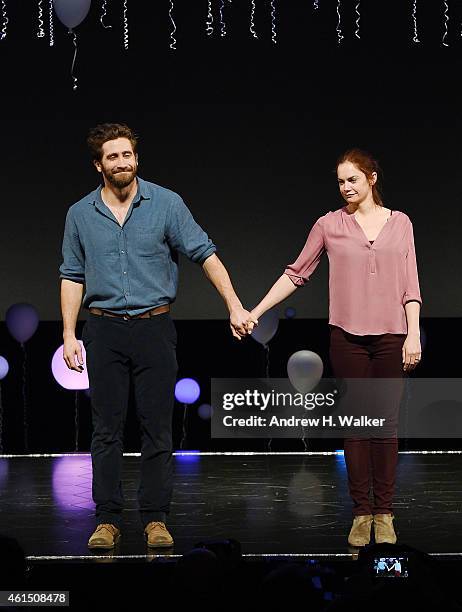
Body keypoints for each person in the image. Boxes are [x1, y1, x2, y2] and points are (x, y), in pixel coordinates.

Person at [59, 123, 256, 550]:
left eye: (127, 154)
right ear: (99, 165)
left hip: (154, 327)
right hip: (104, 328)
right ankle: (107, 520)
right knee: (106, 430)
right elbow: (71, 275)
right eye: (113, 156)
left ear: (136, 159)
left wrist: (235, 304)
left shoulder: (166, 204)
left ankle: (155, 519)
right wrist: (69, 333)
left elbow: (206, 253)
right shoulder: (80, 214)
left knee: (157, 429)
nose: (122, 162)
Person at [246, 148, 422, 548]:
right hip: (347, 337)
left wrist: (413, 333)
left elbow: (411, 284)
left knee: (386, 425)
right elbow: (297, 274)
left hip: (392, 336)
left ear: (372, 178)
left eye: (353, 179)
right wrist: (256, 310)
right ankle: (362, 513)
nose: (345, 187)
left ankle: (385, 512)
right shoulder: (329, 225)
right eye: (341, 181)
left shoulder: (401, 224)